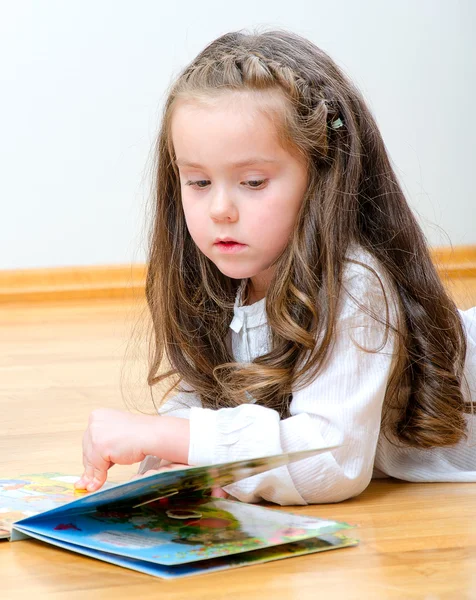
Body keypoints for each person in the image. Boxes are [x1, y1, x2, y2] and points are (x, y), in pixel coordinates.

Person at [75, 28, 476, 505]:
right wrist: (171, 447)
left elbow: (330, 462)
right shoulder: (225, 276)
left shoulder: (355, 283)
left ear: (320, 176)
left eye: (252, 181)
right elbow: (207, 395)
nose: (220, 208)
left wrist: (175, 438)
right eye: (199, 181)